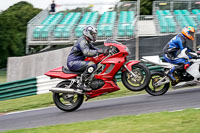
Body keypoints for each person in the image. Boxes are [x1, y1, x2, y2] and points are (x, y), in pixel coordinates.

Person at [67, 25, 108, 90]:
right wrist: (98, 51)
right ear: (88, 33)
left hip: (78, 61)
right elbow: (87, 52)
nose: (94, 35)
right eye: (93, 34)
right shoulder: (82, 41)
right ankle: (81, 84)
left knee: (95, 63)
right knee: (91, 64)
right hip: (73, 62)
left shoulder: (87, 41)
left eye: (94, 34)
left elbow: (94, 48)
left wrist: (104, 51)